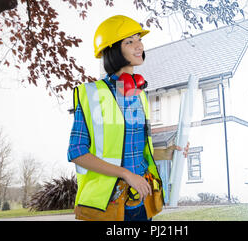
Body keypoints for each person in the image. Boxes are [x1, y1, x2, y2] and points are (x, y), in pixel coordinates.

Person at [67, 15, 189, 221]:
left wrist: (168, 152)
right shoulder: (91, 94)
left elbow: (132, 147)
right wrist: (125, 174)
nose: (139, 45)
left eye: (139, 39)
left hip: (141, 202)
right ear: (113, 49)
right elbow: (77, 152)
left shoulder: (139, 95)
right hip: (108, 206)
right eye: (129, 41)